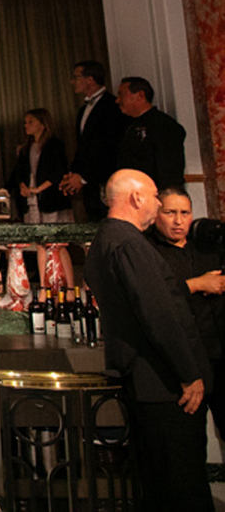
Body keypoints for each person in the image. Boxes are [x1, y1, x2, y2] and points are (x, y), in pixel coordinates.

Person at [84, 169, 211, 512]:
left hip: (145, 380)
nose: (157, 203)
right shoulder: (128, 243)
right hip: (163, 383)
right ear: (136, 197)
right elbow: (159, 315)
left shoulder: (106, 240)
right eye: (155, 196)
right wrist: (189, 373)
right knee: (183, 487)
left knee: (161, 484)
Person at [148, 187, 225, 441]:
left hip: (220, 354)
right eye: (170, 213)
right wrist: (197, 284)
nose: (178, 221)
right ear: (156, 214)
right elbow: (152, 299)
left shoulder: (207, 245)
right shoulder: (149, 251)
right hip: (186, 362)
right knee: (190, 439)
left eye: (185, 213)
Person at [4, 108, 74, 288]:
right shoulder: (26, 148)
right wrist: (23, 187)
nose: (26, 126)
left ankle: (69, 286)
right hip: (33, 201)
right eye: (25, 123)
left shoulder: (54, 144)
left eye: (30, 122)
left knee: (58, 244)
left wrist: (37, 189)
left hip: (50, 198)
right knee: (40, 244)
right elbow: (20, 173)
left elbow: (57, 171)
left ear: (43, 124)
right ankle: (45, 286)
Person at [60, 60, 127, 221]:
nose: (72, 82)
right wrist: (72, 175)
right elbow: (83, 147)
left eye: (76, 77)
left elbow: (108, 148)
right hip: (90, 186)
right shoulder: (84, 109)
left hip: (106, 182)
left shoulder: (112, 106)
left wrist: (83, 177)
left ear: (90, 79)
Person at [114, 76, 187, 190]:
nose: (117, 100)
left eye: (121, 95)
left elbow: (169, 170)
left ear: (140, 95)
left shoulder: (163, 125)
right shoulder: (127, 125)